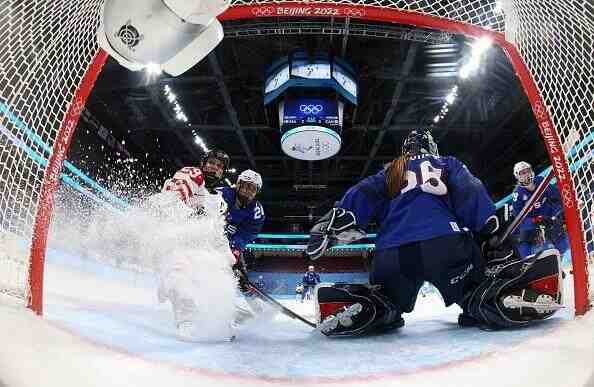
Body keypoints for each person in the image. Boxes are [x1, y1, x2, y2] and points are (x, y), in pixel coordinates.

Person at [305, 130, 563, 337]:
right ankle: (497, 298)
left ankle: (372, 308)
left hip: (393, 253)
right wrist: (488, 224)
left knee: (387, 298)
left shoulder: (392, 170)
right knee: (474, 291)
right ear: (431, 147)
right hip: (445, 244)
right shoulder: (446, 163)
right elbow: (470, 189)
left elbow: (362, 193)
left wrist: (333, 222)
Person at [511, 161, 569, 258]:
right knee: (532, 246)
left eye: (528, 171)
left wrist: (564, 206)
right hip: (535, 226)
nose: (526, 174)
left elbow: (557, 195)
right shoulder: (517, 195)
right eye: (523, 173)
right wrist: (535, 221)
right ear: (517, 176)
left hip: (549, 218)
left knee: (563, 242)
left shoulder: (541, 181)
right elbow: (519, 219)